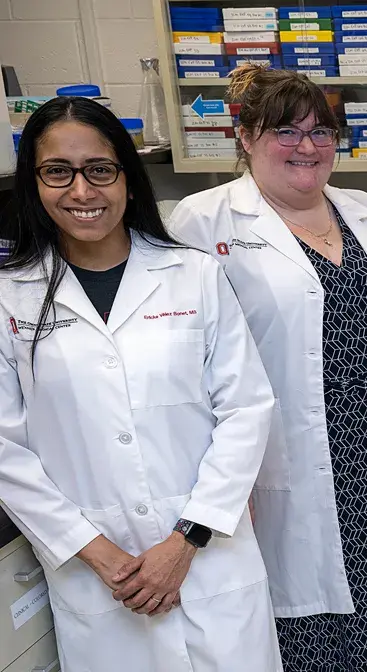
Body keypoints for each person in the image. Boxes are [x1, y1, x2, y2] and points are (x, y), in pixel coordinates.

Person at [169, 65, 367, 672]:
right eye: (286, 131)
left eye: (322, 132)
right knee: (302, 622)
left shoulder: (365, 209)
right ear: (246, 137)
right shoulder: (203, 220)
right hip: (280, 453)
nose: (307, 146)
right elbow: (181, 351)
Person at [0, 97, 280, 670]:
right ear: (34, 183)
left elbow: (246, 409)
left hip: (208, 557)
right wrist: (98, 553)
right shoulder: (11, 296)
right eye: (58, 171)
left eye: (100, 169)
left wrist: (185, 541)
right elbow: (6, 449)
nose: (82, 191)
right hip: (96, 571)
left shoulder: (193, 274)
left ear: (128, 178)